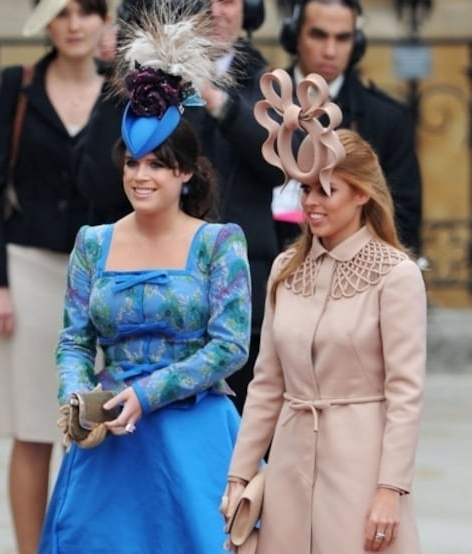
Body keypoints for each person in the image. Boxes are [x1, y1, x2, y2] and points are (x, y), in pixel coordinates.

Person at [38, 8, 251, 553]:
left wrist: (147, 394)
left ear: (184, 172)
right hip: (110, 438)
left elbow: (229, 347)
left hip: (193, 433)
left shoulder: (219, 243)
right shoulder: (93, 242)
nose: (140, 175)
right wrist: (77, 399)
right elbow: (74, 341)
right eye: (132, 162)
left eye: (157, 164)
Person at [222, 69, 426, 553]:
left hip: (361, 468)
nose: (310, 203)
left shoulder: (396, 274)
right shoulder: (284, 270)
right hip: (290, 467)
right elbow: (267, 383)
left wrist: (389, 490)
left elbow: (405, 393)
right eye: (305, 189)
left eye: (325, 190)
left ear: (362, 195)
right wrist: (240, 472)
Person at [0, 2, 121, 552]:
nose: (75, 23)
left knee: (94, 431)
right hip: (26, 272)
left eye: (87, 10)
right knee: (32, 431)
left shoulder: (123, 87)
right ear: (45, 24)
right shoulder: (19, 83)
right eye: (61, 12)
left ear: (107, 19)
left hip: (104, 276)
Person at [76, 0, 282, 414]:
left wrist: (217, 101)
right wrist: (122, 80)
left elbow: (281, 165)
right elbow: (96, 178)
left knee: (247, 443)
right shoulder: (142, 78)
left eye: (226, 0)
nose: (214, 10)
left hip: (241, 286)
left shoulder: (268, 81)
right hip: (153, 291)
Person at [276, 0, 423, 255]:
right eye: (318, 35)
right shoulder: (257, 105)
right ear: (294, 36)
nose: (330, 51)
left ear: (356, 44)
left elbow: (402, 216)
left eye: (342, 38)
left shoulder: (387, 119)